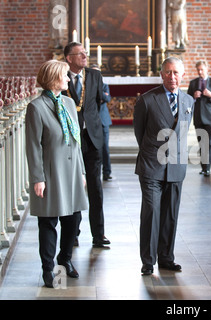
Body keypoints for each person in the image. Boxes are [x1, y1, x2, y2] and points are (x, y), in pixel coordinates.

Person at [25, 60, 88, 288]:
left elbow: (76, 141)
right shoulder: (36, 107)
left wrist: (81, 170)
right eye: (65, 75)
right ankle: (48, 269)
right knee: (49, 222)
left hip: (71, 172)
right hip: (50, 173)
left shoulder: (70, 103)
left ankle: (65, 259)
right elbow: (33, 146)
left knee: (74, 219)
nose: (69, 79)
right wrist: (37, 178)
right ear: (53, 78)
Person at [134, 57, 194, 275]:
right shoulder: (147, 100)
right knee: (151, 212)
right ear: (161, 74)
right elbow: (139, 133)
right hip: (151, 165)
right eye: (168, 72)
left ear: (183, 75)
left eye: (176, 72)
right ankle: (148, 261)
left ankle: (167, 257)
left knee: (170, 214)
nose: (172, 77)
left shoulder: (188, 102)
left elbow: (183, 133)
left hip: (176, 166)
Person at [63, 42, 110, 247]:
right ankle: (73, 233)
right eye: (80, 54)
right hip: (70, 141)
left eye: (85, 53)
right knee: (74, 187)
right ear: (69, 58)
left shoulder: (94, 75)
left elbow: (99, 101)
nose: (84, 56)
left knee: (95, 188)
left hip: (92, 139)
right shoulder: (61, 75)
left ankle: (98, 235)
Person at [187, 60, 211, 176]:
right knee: (201, 144)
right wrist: (193, 97)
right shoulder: (193, 83)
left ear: (207, 69)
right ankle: (203, 167)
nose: (200, 72)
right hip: (198, 117)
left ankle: (207, 168)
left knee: (208, 143)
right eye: (198, 70)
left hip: (210, 118)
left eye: (202, 69)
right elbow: (187, 99)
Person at [91, 64, 113, 181]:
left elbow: (107, 98)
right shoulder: (87, 87)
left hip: (103, 120)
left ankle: (107, 172)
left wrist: (100, 96)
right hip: (92, 121)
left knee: (105, 148)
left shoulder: (104, 85)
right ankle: (95, 173)